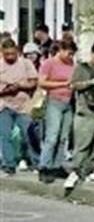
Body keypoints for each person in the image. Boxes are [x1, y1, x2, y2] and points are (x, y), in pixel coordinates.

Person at [64, 39, 94, 189]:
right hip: (85, 113)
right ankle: (75, 172)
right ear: (92, 54)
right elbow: (72, 85)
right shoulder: (82, 68)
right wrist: (90, 82)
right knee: (82, 146)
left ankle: (92, 171)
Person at [37, 40, 77, 183]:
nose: (70, 56)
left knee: (63, 137)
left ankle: (57, 165)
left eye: (72, 54)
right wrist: (63, 84)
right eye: (68, 53)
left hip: (68, 102)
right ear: (60, 50)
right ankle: (44, 166)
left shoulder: (72, 64)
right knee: (52, 136)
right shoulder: (49, 63)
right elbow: (42, 82)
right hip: (54, 100)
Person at [0, 38, 39, 175]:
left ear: (17, 51)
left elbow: (33, 82)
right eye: (7, 55)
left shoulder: (26, 63)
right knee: (5, 135)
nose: (10, 57)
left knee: (29, 134)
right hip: (4, 104)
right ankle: (8, 164)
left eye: (12, 54)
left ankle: (37, 161)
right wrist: (6, 90)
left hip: (23, 105)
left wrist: (20, 86)